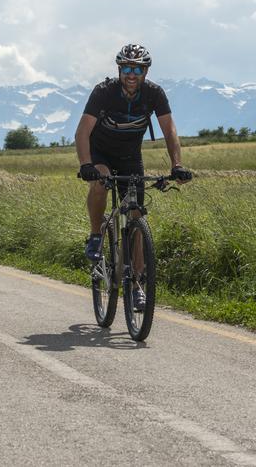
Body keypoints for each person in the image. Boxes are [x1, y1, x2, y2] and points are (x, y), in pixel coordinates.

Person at [74, 43, 192, 308]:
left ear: (146, 71)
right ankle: (96, 234)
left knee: (136, 216)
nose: (131, 74)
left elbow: (169, 130)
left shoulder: (154, 94)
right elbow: (82, 132)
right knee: (100, 184)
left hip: (130, 157)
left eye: (137, 69)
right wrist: (86, 164)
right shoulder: (104, 93)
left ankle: (137, 283)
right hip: (100, 153)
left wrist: (177, 165)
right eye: (126, 68)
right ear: (119, 69)